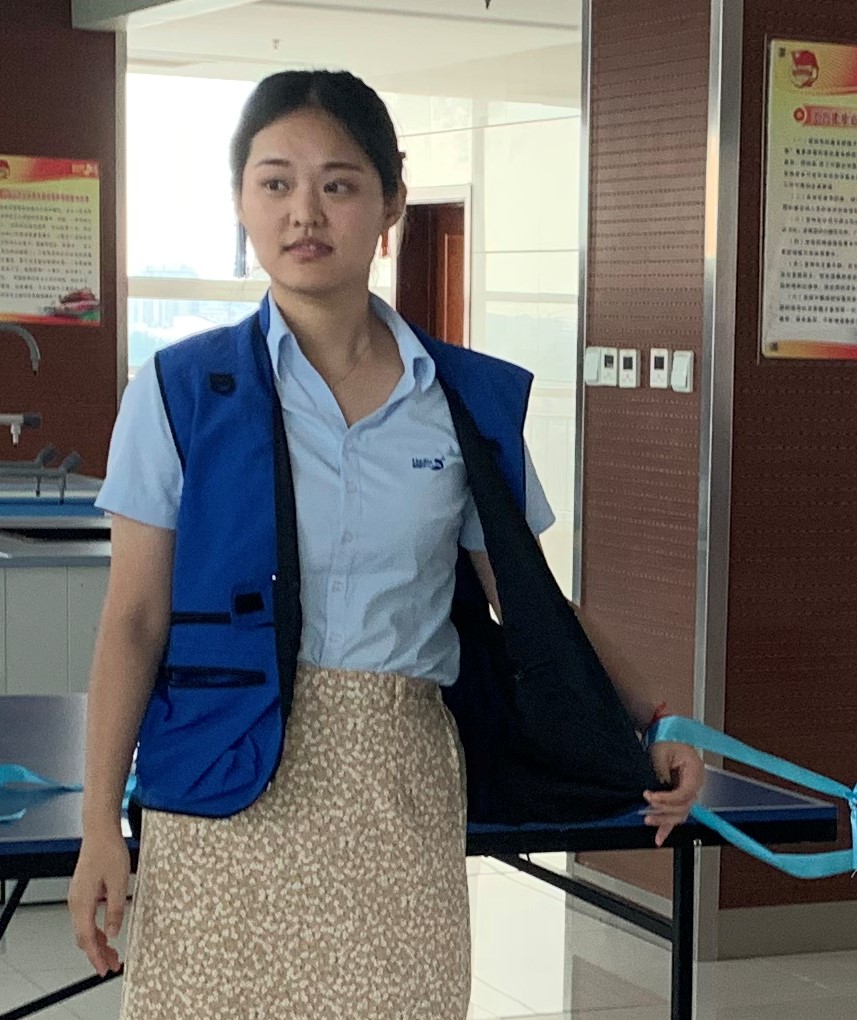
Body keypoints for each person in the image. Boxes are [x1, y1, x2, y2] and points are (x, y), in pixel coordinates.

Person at [67, 69, 704, 1018]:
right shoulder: (178, 393)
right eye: (275, 182)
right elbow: (134, 620)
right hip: (218, 780)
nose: (304, 211)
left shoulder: (464, 401)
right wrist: (98, 826)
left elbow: (531, 603)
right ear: (240, 199)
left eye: (339, 183)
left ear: (390, 203)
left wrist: (656, 721)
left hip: (397, 783)